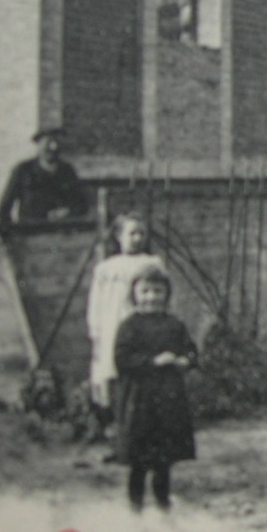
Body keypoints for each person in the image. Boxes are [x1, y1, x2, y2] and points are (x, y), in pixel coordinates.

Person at [113, 262, 197, 513]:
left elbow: (191, 350)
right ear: (135, 294)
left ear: (166, 294)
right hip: (140, 399)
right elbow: (122, 359)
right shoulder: (130, 326)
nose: (151, 297)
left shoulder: (174, 325)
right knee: (139, 457)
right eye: (145, 291)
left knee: (164, 456)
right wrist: (152, 361)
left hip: (168, 398)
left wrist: (185, 361)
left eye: (157, 291)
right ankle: (135, 505)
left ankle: (163, 502)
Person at [85, 213, 164, 449]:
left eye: (141, 233)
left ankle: (143, 435)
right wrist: (96, 330)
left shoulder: (152, 263)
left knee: (138, 379)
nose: (137, 238)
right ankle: (115, 435)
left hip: (139, 327)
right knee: (111, 379)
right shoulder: (106, 268)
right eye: (132, 233)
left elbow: (162, 295)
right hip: (111, 325)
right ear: (119, 237)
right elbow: (96, 302)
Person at [0, 127, 88, 225]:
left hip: (60, 233)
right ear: (39, 145)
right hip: (30, 233)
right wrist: (10, 234)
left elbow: (82, 206)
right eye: (48, 143)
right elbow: (4, 208)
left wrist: (68, 211)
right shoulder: (23, 170)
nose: (53, 147)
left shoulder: (67, 171)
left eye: (56, 143)